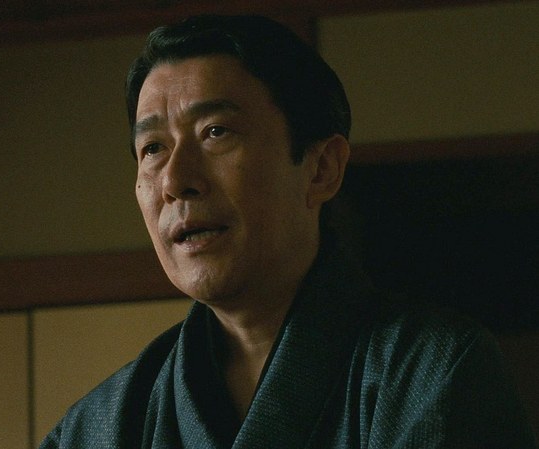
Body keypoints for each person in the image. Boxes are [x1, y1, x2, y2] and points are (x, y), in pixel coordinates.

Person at [39, 14, 536, 448]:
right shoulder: (101, 425)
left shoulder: (430, 371)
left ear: (321, 168)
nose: (174, 181)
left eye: (216, 132)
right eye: (152, 148)